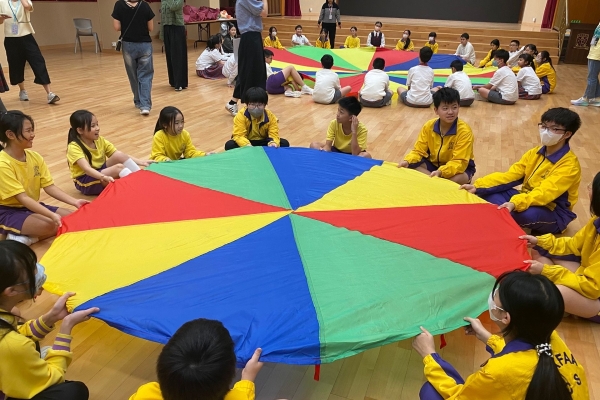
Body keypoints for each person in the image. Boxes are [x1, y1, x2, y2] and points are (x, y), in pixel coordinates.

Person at [412, 270, 588, 400]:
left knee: (431, 392)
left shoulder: (498, 372)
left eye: (497, 294)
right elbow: (521, 358)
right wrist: (486, 337)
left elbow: (458, 397)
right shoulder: (550, 339)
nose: (493, 296)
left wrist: (429, 355)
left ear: (505, 317)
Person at [0, 241, 99, 400]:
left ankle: (28, 362)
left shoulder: (6, 321)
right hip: (9, 381)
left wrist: (51, 317)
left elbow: (17, 334)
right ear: (11, 291)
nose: (37, 271)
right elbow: (53, 377)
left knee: (21, 327)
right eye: (31, 271)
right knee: (73, 392)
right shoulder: (12, 345)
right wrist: (66, 328)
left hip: (12, 355)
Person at [460, 108, 581, 235]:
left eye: (554, 129)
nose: (546, 132)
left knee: (523, 214)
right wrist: (478, 187)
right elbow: (511, 175)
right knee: (486, 193)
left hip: (553, 211)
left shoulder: (569, 166)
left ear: (567, 134)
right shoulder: (535, 152)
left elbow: (544, 193)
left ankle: (505, 217)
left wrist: (515, 203)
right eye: (544, 126)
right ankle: (505, 217)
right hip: (526, 198)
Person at [0, 111, 88, 245]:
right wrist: (51, 215)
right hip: (7, 211)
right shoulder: (3, 164)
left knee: (74, 218)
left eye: (32, 130)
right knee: (50, 224)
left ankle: (28, 237)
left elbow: (49, 187)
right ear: (10, 135)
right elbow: (22, 198)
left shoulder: (35, 157)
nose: (33, 134)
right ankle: (17, 236)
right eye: (28, 131)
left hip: (29, 206)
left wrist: (75, 201)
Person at [522, 171, 600, 322]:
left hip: (594, 294)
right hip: (587, 275)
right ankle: (567, 305)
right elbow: (573, 244)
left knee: (554, 292)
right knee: (539, 250)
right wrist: (540, 242)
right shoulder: (596, 221)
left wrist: (546, 271)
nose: (589, 189)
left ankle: (566, 303)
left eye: (592, 187)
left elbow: (592, 288)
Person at [129, 319, 264, 400]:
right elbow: (243, 395)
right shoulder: (238, 397)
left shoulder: (146, 394)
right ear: (231, 372)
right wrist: (247, 378)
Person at [399, 88, 475, 185]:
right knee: (410, 166)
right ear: (436, 110)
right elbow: (419, 151)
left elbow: (460, 161)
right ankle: (436, 182)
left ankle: (433, 181)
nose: (450, 112)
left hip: (459, 169)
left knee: (453, 180)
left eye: (454, 107)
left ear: (459, 107)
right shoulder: (428, 126)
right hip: (433, 165)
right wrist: (407, 161)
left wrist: (441, 172)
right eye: (445, 108)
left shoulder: (464, 131)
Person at [67, 110, 151, 196]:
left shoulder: (100, 140)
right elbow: (87, 170)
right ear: (80, 130)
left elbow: (119, 155)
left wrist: (141, 162)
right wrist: (103, 177)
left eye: (97, 124)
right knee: (119, 168)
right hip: (85, 181)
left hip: (100, 170)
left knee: (118, 155)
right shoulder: (74, 147)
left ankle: (142, 179)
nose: (97, 128)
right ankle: (138, 187)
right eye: (93, 126)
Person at [0, 0, 59, 104]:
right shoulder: (2, 2)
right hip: (10, 38)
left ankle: (50, 93)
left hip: (26, 37)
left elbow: (28, 7)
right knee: (16, 65)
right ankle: (22, 90)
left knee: (38, 62)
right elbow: (0, 22)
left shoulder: (25, 0)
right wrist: (2, 18)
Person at [224, 0, 268, 117]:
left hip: (252, 37)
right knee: (254, 73)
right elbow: (264, 12)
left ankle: (234, 102)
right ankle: (254, 109)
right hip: (250, 38)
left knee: (250, 72)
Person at [112, 0, 155, 116]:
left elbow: (116, 27)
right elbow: (151, 27)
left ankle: (138, 100)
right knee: (145, 75)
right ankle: (145, 105)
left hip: (128, 45)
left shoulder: (119, 5)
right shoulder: (145, 5)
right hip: (145, 44)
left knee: (133, 75)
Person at [225, 87, 289, 150]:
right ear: (247, 104)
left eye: (259, 105)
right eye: (252, 104)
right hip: (247, 142)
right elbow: (239, 135)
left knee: (284, 143)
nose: (256, 108)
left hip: (264, 141)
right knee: (230, 145)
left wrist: (273, 142)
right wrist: (247, 145)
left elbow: (274, 133)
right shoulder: (241, 115)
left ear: (265, 105)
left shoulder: (270, 116)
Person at [571, 22, 600, 106]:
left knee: (592, 78)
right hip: (594, 52)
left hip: (597, 54)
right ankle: (595, 98)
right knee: (593, 77)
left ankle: (586, 98)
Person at [161, 0, 187, 91]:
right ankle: (173, 81)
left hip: (177, 27)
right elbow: (163, 17)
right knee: (169, 56)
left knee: (178, 56)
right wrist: (162, 33)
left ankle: (180, 83)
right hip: (166, 28)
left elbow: (174, 7)